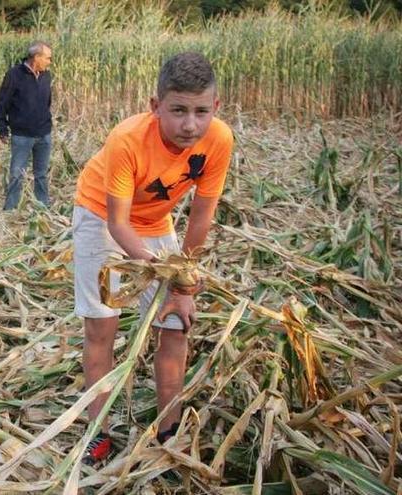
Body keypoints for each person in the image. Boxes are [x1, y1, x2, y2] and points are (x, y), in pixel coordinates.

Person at [72, 52, 234, 464]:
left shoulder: (219, 139)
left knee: (177, 322)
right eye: (178, 110)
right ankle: (99, 431)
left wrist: (182, 283)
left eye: (200, 111)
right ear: (155, 106)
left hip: (156, 220)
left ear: (215, 108)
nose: (189, 124)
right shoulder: (126, 140)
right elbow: (119, 224)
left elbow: (201, 216)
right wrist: (163, 274)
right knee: (101, 326)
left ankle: (169, 429)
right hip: (101, 216)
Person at [0, 41, 53, 210]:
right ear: (37, 57)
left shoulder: (46, 76)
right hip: (22, 136)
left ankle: (42, 207)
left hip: (44, 133)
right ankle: (11, 208)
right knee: (16, 174)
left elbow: (47, 102)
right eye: (48, 58)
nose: (50, 62)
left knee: (41, 174)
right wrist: (2, 128)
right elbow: (2, 103)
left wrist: (46, 122)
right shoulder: (14, 75)